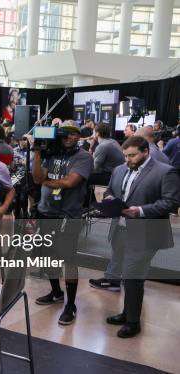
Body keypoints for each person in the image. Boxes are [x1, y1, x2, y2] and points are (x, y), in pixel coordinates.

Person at [94, 136, 179, 338]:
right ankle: (126, 313)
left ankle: (133, 322)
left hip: (146, 233)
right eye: (125, 156)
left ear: (146, 152)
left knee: (132, 276)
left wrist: (140, 210)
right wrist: (107, 199)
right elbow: (111, 191)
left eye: (132, 155)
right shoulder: (120, 169)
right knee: (128, 276)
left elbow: (171, 203)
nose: (128, 159)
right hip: (120, 229)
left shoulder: (165, 172)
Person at [31, 121, 93, 325]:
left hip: (68, 214)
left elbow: (70, 182)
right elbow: (37, 176)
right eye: (65, 134)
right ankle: (56, 292)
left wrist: (46, 182)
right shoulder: (52, 153)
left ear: (79, 137)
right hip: (46, 211)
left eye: (74, 134)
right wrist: (38, 152)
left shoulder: (83, 156)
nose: (69, 137)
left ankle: (71, 304)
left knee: (68, 260)